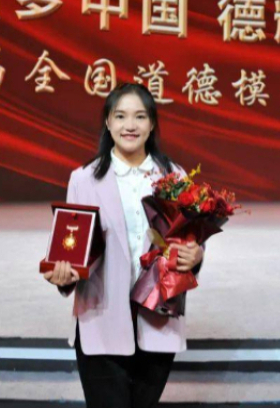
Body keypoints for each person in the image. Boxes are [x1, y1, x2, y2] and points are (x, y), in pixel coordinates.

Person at [43, 82, 205, 408]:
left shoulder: (174, 176)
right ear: (107, 122)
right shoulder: (83, 178)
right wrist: (63, 274)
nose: (130, 125)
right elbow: (71, 243)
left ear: (152, 123)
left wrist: (196, 255)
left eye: (140, 116)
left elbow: (190, 239)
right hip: (100, 316)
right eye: (120, 116)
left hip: (158, 314)